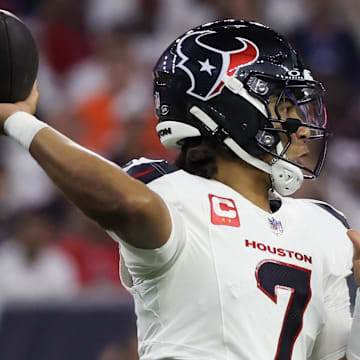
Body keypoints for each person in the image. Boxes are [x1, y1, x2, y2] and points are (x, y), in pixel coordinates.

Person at [0, 19, 359, 360]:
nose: (300, 129)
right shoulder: (170, 193)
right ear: (230, 108)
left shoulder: (325, 225)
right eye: (283, 106)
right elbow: (127, 204)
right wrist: (21, 121)